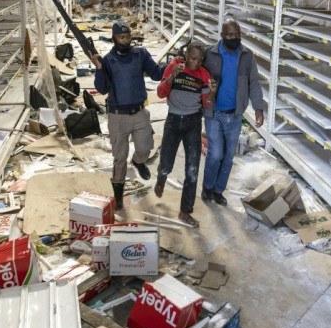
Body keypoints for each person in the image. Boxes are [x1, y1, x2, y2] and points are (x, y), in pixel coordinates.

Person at [90, 20, 165, 209]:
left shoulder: (141, 54)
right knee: (119, 157)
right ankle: (119, 197)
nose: (125, 40)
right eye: (121, 37)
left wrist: (174, 64)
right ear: (114, 38)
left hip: (139, 112)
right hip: (117, 116)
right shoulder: (107, 60)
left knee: (145, 147)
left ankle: (139, 162)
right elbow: (101, 89)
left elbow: (156, 74)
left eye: (128, 36)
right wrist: (99, 69)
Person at [153, 43, 217, 228]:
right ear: (186, 55)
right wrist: (172, 76)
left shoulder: (204, 75)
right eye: (192, 58)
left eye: (199, 59)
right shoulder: (175, 66)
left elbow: (208, 104)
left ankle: (185, 211)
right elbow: (160, 92)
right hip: (173, 120)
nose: (195, 62)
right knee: (166, 162)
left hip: (193, 123)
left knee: (192, 169)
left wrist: (212, 92)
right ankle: (161, 178)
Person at [201, 19, 264, 206]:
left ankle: (219, 191)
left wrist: (258, 108)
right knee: (215, 154)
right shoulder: (209, 54)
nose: (234, 38)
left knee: (228, 157)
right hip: (214, 114)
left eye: (237, 34)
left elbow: (254, 83)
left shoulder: (246, 56)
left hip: (235, 115)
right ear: (221, 35)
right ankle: (208, 187)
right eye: (229, 34)